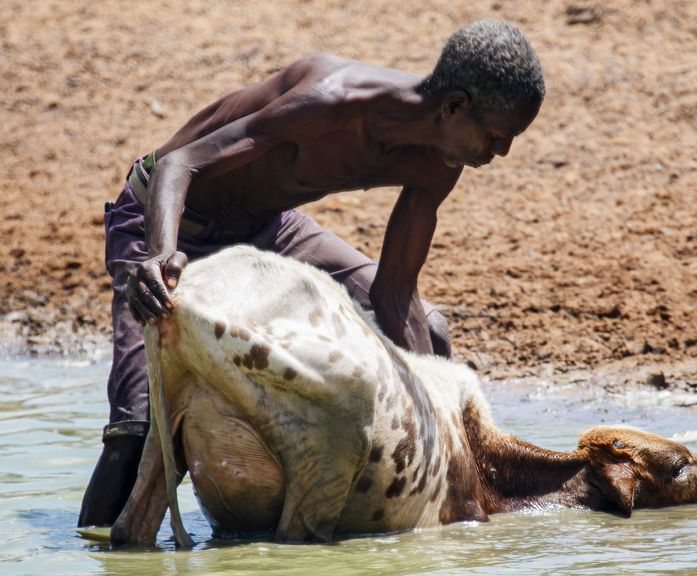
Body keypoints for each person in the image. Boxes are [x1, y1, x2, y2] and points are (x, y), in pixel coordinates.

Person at [78, 19, 545, 527]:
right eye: (497, 136)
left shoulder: (442, 159)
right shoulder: (329, 101)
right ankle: (95, 542)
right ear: (453, 106)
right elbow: (179, 165)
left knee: (430, 329)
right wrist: (158, 256)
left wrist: (431, 412)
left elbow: (394, 293)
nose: (501, 154)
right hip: (166, 215)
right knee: (136, 428)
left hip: (270, 225)